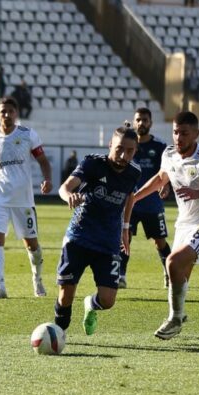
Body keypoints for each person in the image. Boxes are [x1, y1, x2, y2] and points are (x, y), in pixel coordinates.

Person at [129, 111, 199, 340]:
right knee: (180, 274)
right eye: (175, 132)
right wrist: (135, 197)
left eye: (184, 133)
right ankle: (180, 314)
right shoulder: (169, 154)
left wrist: (197, 192)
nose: (178, 137)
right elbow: (160, 179)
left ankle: (174, 319)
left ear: (196, 133)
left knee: (172, 262)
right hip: (184, 225)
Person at [54, 126, 141, 336]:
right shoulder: (93, 163)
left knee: (108, 301)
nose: (123, 155)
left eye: (129, 151)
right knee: (65, 295)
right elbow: (65, 187)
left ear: (135, 151)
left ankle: (90, 305)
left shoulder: (134, 172)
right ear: (110, 145)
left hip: (108, 242)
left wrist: (126, 228)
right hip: (80, 236)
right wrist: (70, 196)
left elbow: (130, 197)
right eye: (119, 148)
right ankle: (58, 333)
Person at [0, 96, 53, 299]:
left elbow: (43, 161)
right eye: (3, 111)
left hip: (23, 199)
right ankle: (0, 287)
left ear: (17, 113)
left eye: (10, 111)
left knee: (32, 245)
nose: (7, 115)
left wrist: (47, 179)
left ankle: (37, 278)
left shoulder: (28, 134)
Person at [118, 108, 171, 289]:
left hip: (152, 204)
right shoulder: (127, 144)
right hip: (129, 203)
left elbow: (167, 171)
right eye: (138, 120)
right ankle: (121, 275)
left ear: (151, 123)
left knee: (159, 242)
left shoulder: (159, 147)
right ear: (134, 122)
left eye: (145, 120)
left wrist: (166, 185)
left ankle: (169, 273)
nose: (141, 123)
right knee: (125, 237)